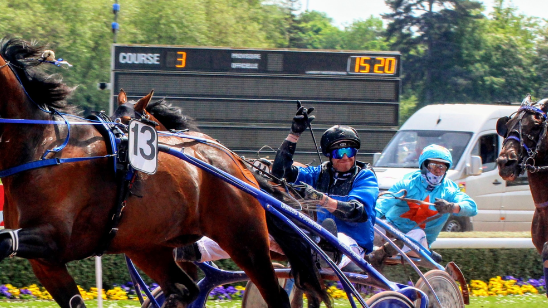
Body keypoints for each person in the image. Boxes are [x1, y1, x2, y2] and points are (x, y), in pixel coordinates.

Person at [174, 107, 379, 270]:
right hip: (316, 239)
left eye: (350, 150)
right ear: (329, 155)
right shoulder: (319, 173)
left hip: (352, 244)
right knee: (253, 232)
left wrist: (323, 200)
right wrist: (293, 136)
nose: (345, 157)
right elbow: (281, 173)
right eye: (338, 152)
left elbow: (358, 213)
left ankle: (327, 253)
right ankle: (196, 249)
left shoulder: (365, 176)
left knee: (334, 239)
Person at [370, 144, 478, 268]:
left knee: (418, 233)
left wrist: (451, 207)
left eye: (442, 167)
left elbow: (472, 208)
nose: (438, 171)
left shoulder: (449, 190)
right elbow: (383, 203)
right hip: (391, 231)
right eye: (433, 166)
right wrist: (369, 217)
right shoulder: (407, 183)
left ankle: (382, 253)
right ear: (423, 166)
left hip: (418, 242)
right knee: (370, 225)